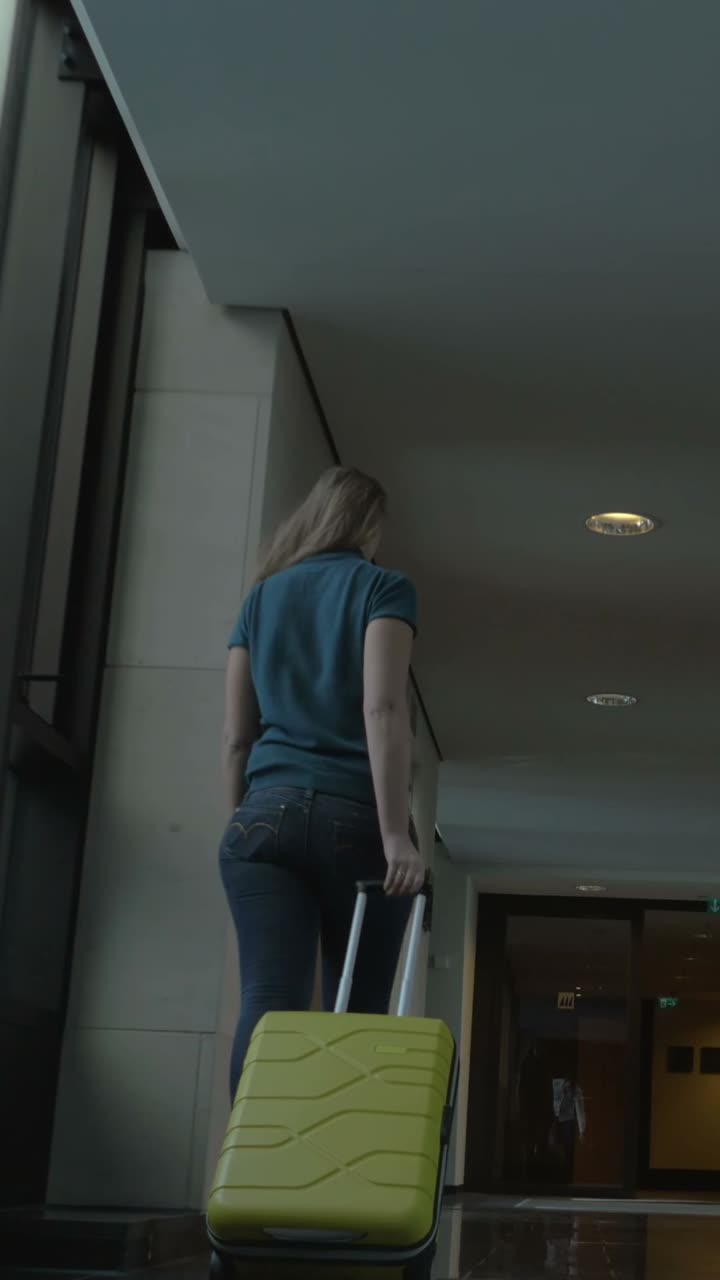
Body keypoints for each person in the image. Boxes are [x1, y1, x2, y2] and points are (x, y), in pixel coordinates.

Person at [219, 465, 426, 1098]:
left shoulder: (261, 597)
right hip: (353, 817)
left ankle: (248, 1173)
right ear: (367, 525)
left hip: (262, 816)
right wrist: (396, 835)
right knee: (356, 1010)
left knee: (268, 1000)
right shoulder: (382, 588)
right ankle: (337, 1181)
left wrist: (242, 819)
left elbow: (236, 737)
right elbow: (382, 710)